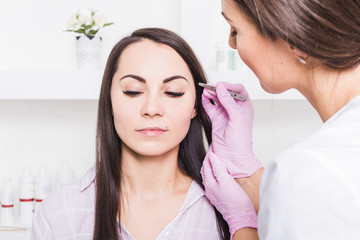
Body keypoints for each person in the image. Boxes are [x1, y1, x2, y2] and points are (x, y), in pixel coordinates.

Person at [31, 28, 231, 240]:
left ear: (195, 106)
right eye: (133, 91)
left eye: (173, 92)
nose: (152, 108)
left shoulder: (225, 212)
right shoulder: (60, 214)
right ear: (109, 100)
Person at [200, 0, 360, 239]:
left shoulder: (309, 171)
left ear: (293, 34)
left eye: (236, 30)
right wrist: (247, 174)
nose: (232, 44)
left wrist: (242, 222)